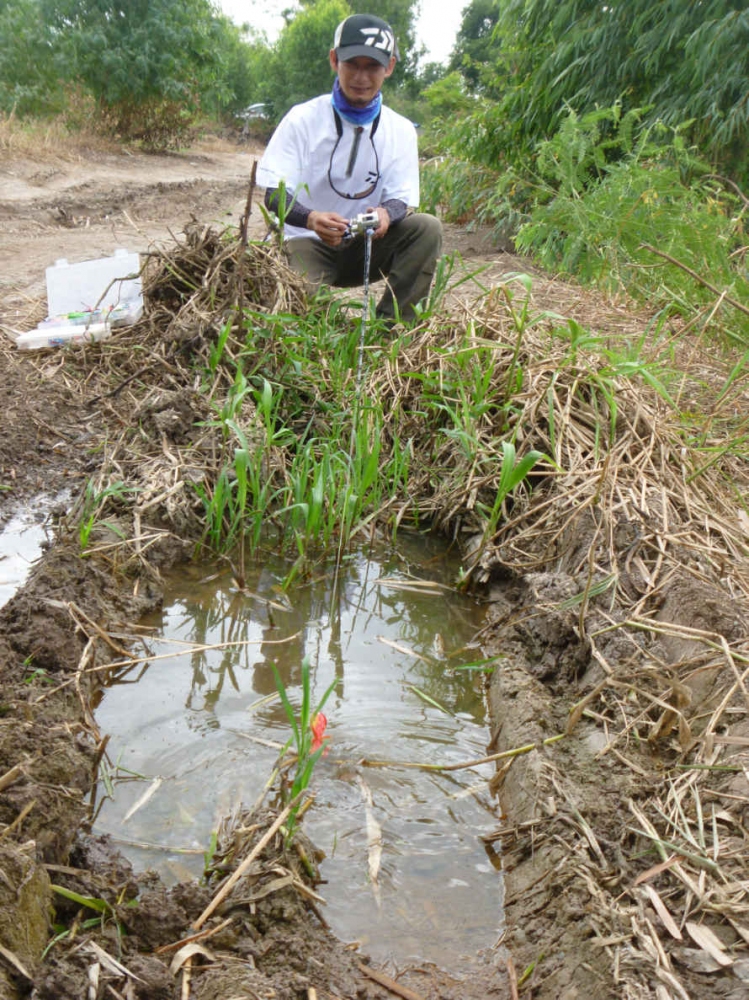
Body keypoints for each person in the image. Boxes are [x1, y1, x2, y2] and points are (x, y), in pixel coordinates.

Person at [256, 13, 442, 325]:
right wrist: (312, 219)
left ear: (390, 67)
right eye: (352, 64)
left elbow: (400, 198)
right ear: (334, 60)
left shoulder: (401, 129)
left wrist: (386, 214)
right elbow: (274, 194)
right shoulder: (302, 119)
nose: (361, 76)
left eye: (372, 66)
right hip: (306, 243)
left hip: (366, 246)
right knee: (300, 314)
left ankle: (391, 328)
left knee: (427, 228)